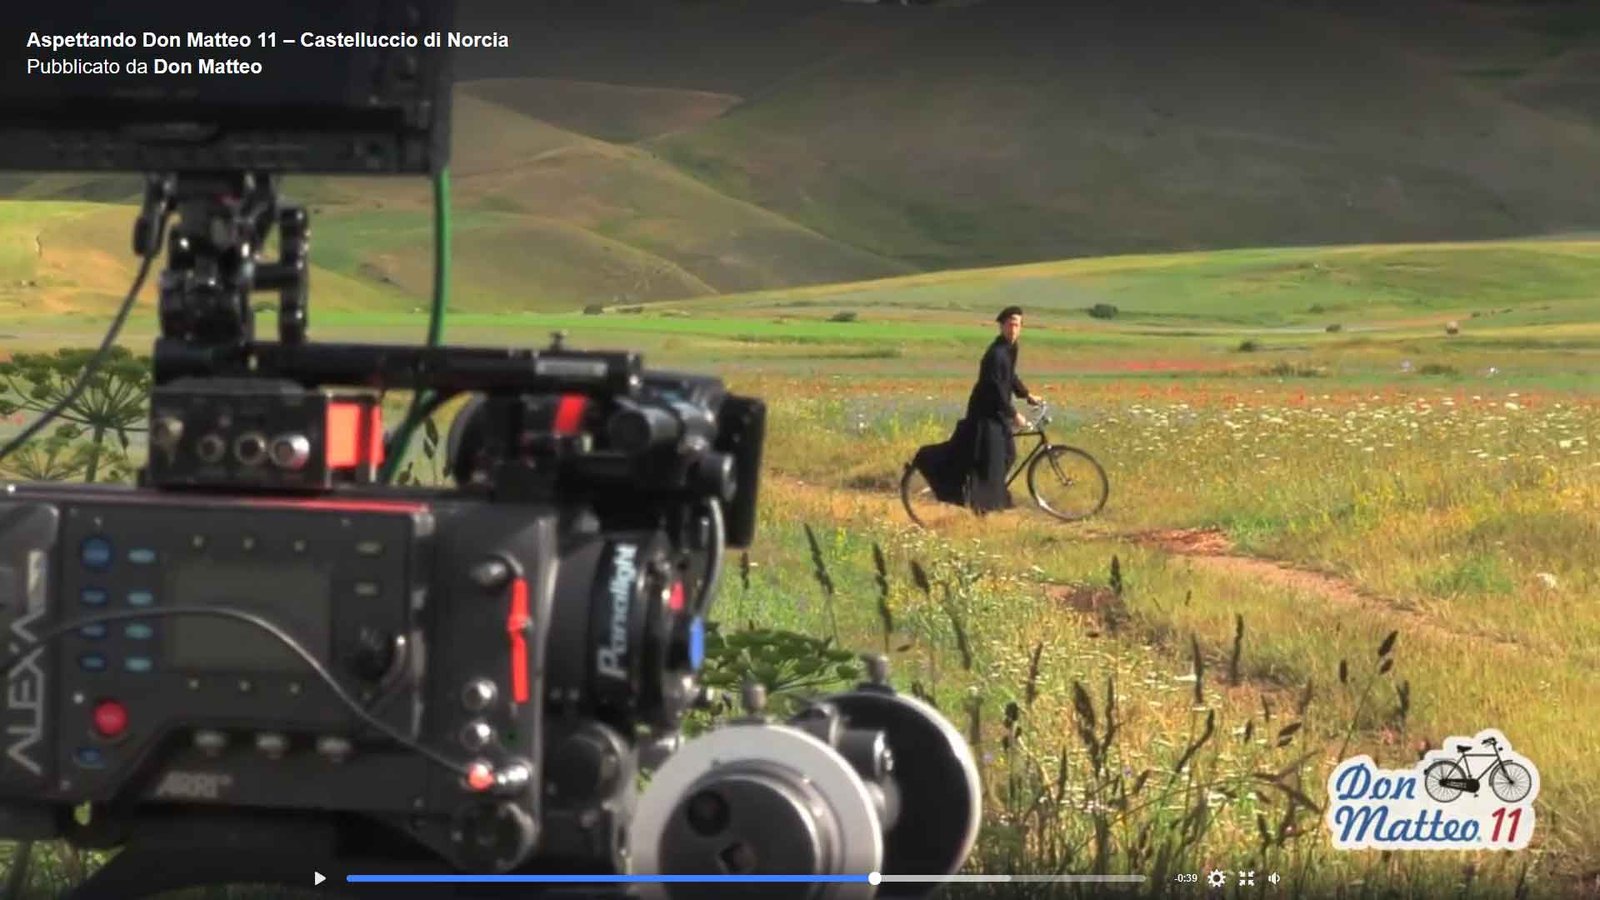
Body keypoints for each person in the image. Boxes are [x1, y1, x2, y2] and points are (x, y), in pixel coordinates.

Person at [913, 305, 1041, 513]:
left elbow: (1010, 377)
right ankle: (979, 503)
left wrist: (1027, 395)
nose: (1013, 329)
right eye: (1009, 325)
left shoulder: (1010, 348)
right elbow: (996, 388)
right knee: (985, 459)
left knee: (1007, 455)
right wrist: (1014, 414)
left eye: (1017, 325)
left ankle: (986, 496)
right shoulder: (996, 354)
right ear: (1001, 326)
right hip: (985, 412)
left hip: (997, 411)